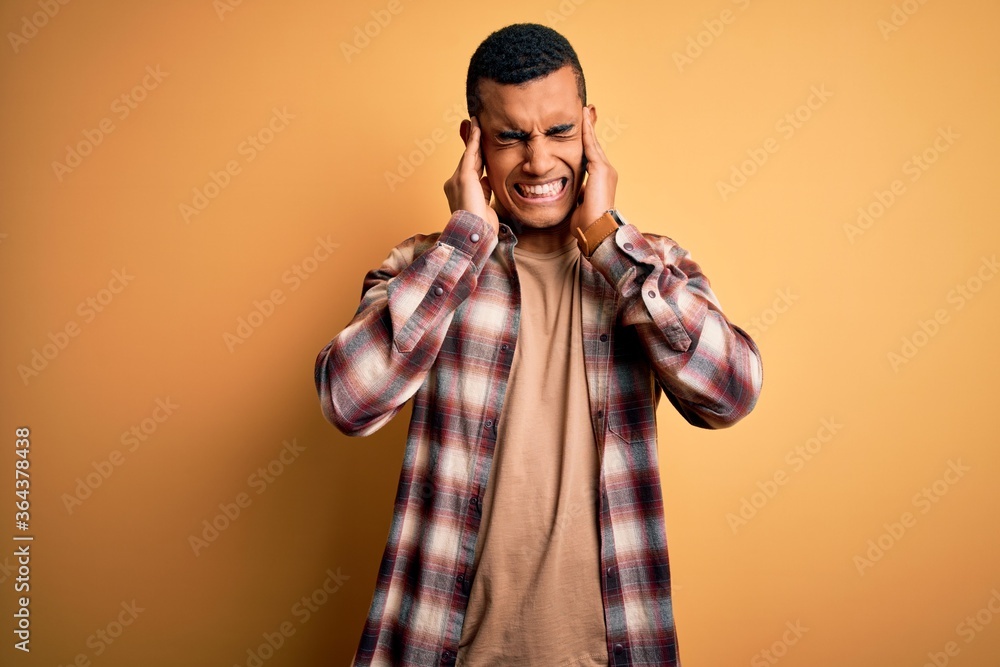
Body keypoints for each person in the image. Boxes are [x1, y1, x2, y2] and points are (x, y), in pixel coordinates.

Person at [315, 22, 763, 667]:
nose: (539, 161)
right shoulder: (426, 268)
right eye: (510, 137)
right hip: (441, 647)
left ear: (589, 126)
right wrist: (462, 240)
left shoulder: (650, 269)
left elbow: (733, 394)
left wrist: (610, 244)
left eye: (559, 131)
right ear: (474, 143)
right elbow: (346, 401)